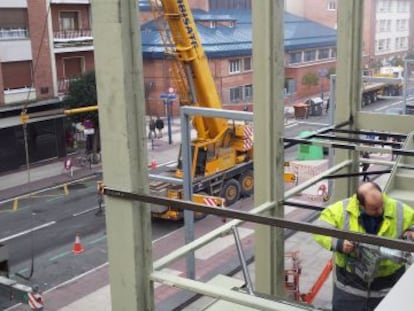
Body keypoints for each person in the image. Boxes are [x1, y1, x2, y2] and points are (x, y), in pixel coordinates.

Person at [313, 182, 414, 311]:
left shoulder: (398, 209)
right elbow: (319, 228)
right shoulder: (341, 210)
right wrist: (339, 243)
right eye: (374, 208)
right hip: (349, 288)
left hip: (387, 287)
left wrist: (411, 230)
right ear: (360, 205)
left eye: (381, 205)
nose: (380, 211)